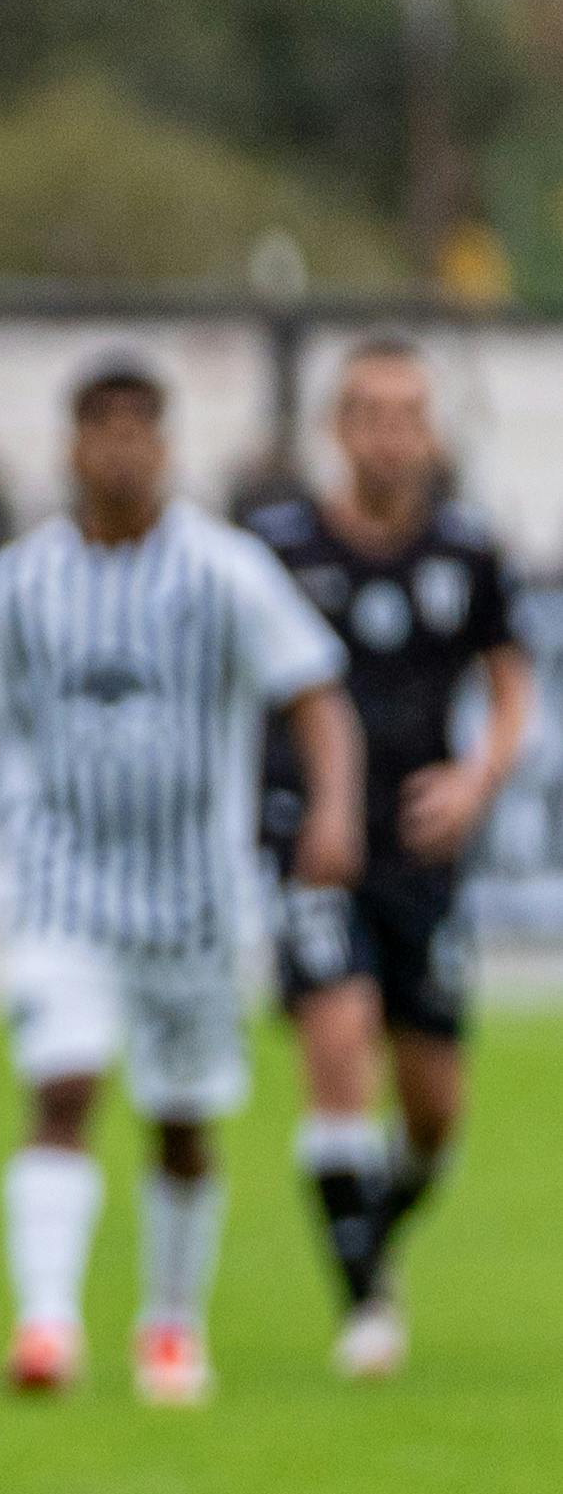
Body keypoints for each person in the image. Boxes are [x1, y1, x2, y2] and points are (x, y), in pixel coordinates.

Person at [0, 356, 359, 1404]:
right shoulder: (20, 583)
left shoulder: (223, 572)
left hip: (193, 898)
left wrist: (334, 807)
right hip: (65, 888)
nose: (123, 448)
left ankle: (171, 1325)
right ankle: (46, 1326)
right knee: (62, 1088)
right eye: (104, 428)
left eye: (143, 428)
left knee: (181, 1122)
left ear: (167, 445)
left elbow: (316, 693)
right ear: (73, 445)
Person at [239, 336, 532, 1377]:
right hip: (313, 837)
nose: (393, 435)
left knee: (435, 1110)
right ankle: (364, 1307)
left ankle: (372, 1230)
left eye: (410, 415)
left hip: (422, 846)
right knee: (338, 1036)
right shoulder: (276, 550)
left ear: (431, 431)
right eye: (372, 413)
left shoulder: (467, 551)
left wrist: (475, 781)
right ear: (338, 427)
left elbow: (511, 685)